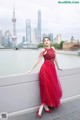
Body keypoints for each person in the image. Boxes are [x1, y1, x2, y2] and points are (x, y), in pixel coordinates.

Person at [27, 37, 62, 118]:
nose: (46, 42)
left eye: (47, 40)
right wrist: (30, 69)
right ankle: (42, 107)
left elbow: (55, 58)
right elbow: (38, 60)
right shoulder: (43, 51)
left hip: (52, 71)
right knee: (45, 88)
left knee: (51, 88)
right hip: (45, 71)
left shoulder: (53, 49)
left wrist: (58, 67)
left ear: (50, 41)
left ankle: (46, 106)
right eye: (44, 41)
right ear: (43, 43)